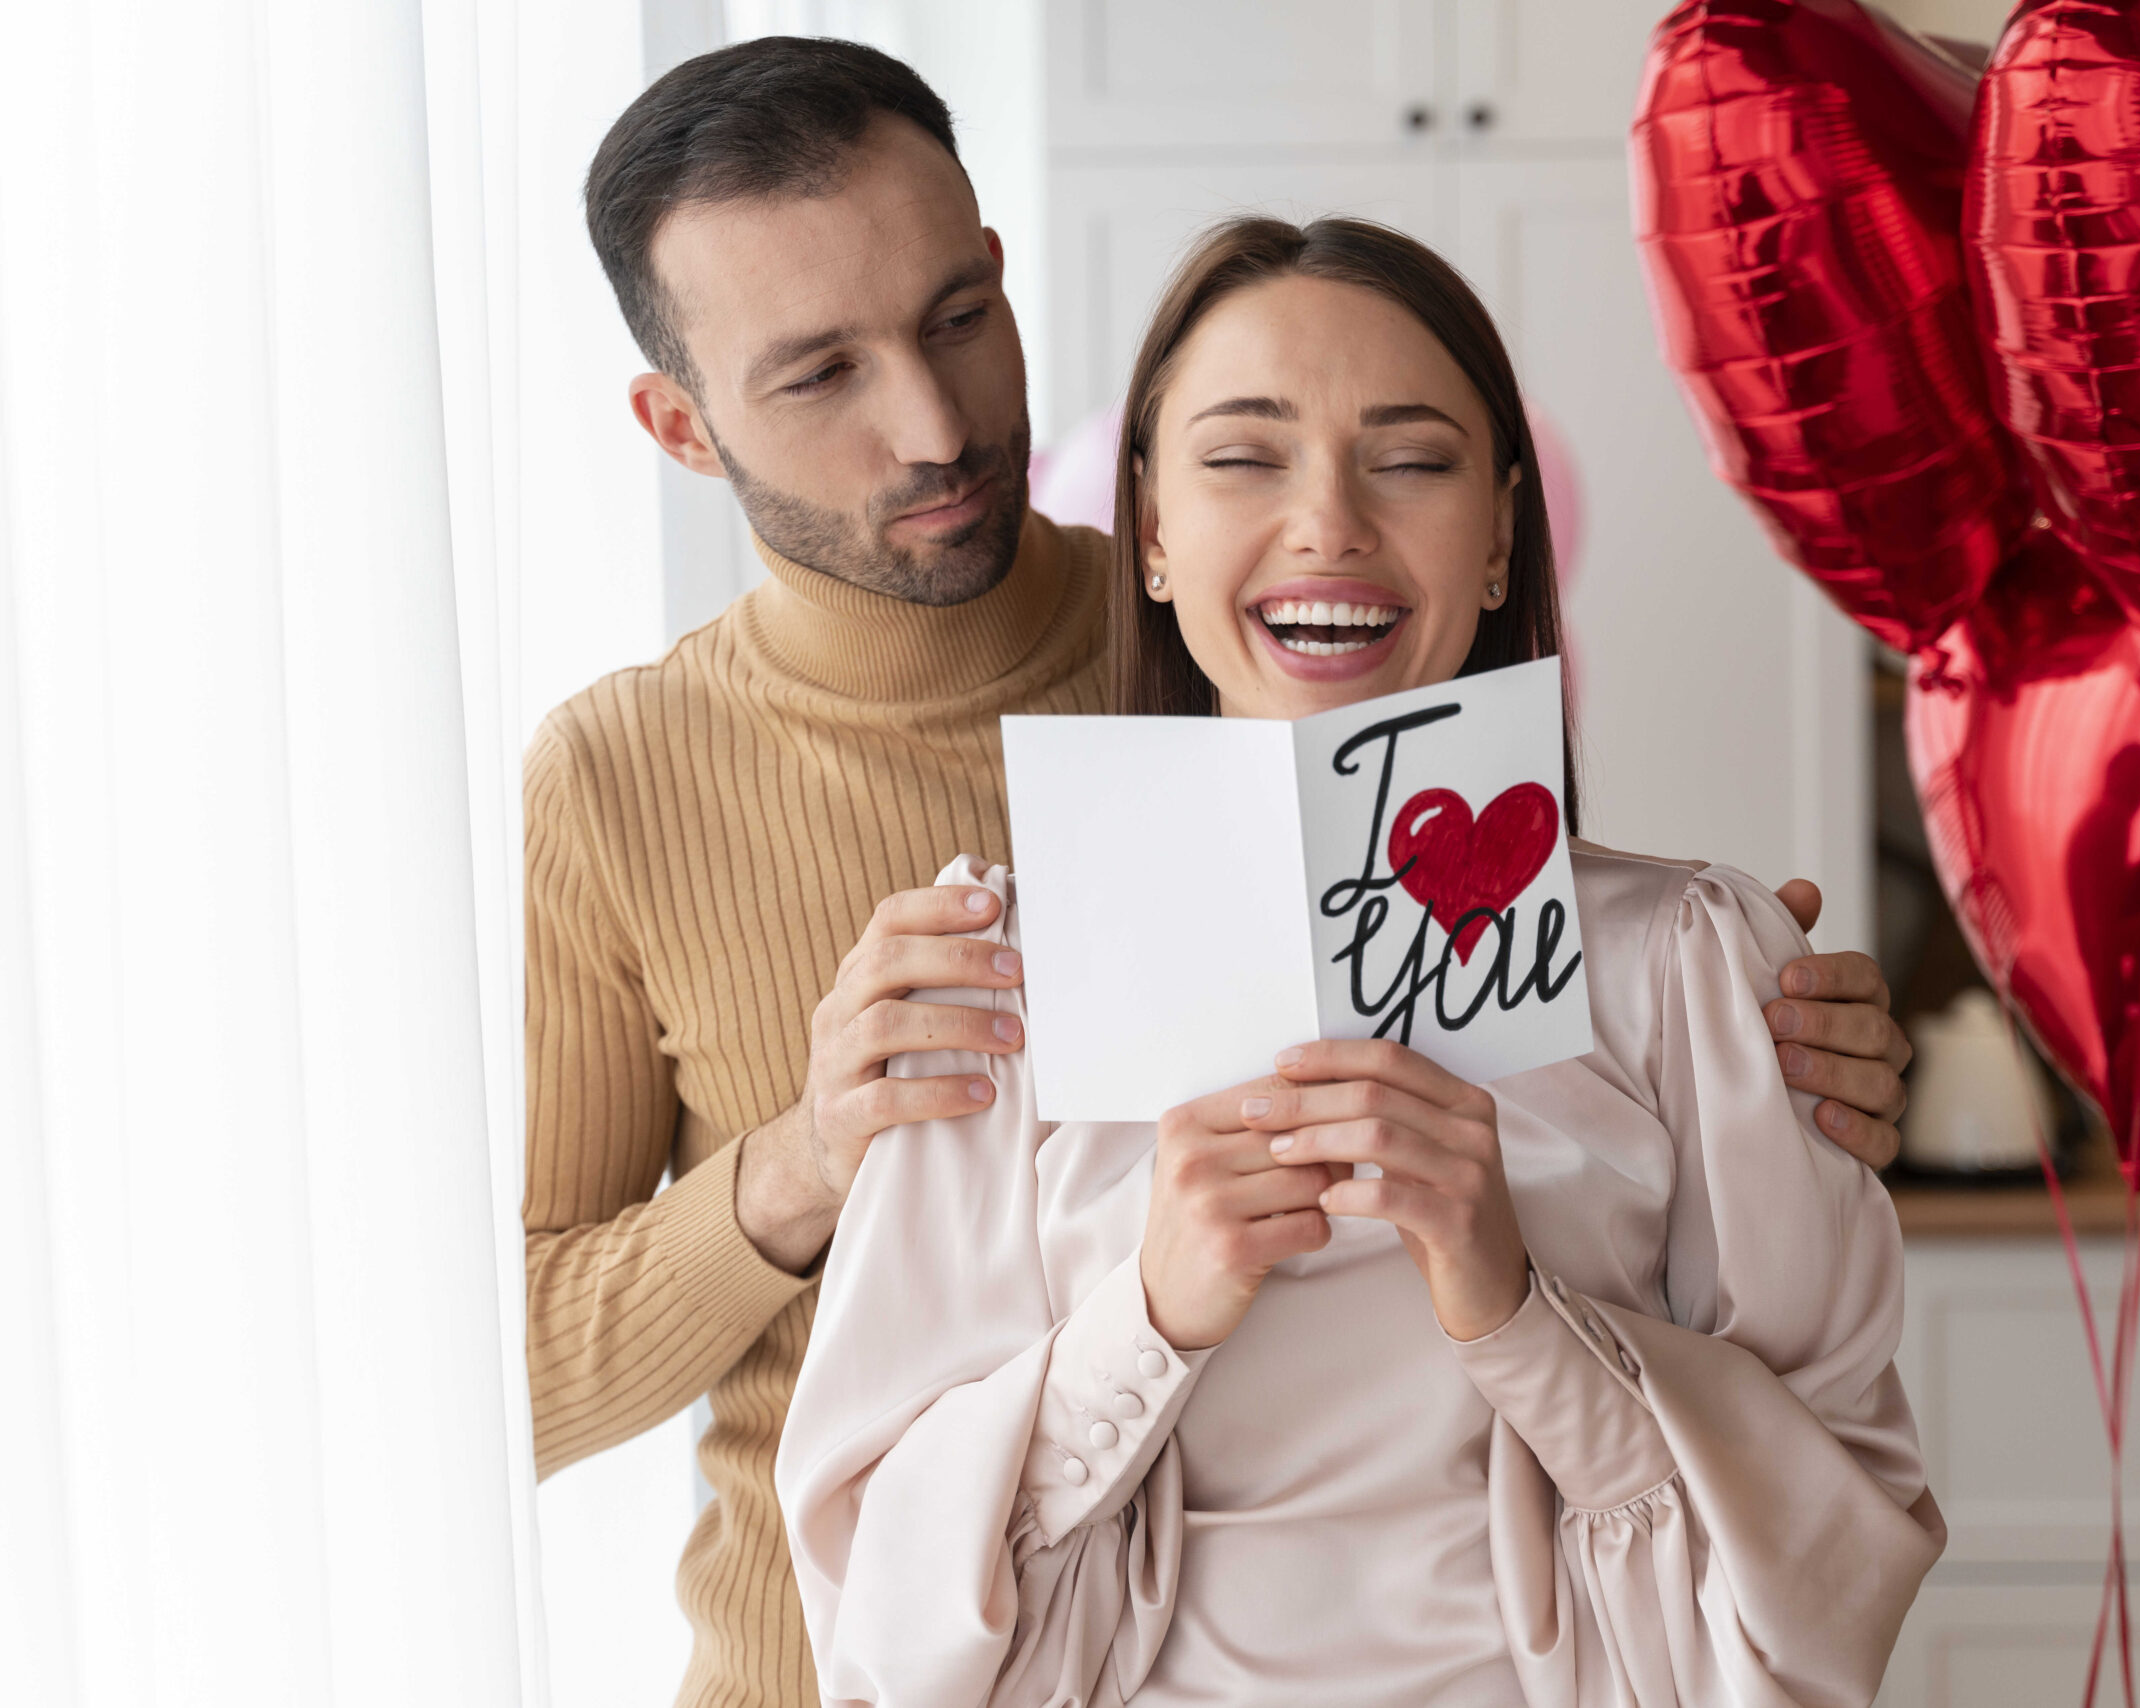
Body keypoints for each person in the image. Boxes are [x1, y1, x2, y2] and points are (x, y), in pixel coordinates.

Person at [540, 37, 1914, 1708]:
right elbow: (515, 1396)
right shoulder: (697, 822)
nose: (930, 422)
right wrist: (821, 1165)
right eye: (819, 372)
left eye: (958, 322)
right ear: (679, 427)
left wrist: (1768, 1058)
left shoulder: (1307, 632)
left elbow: (1828, 1532)